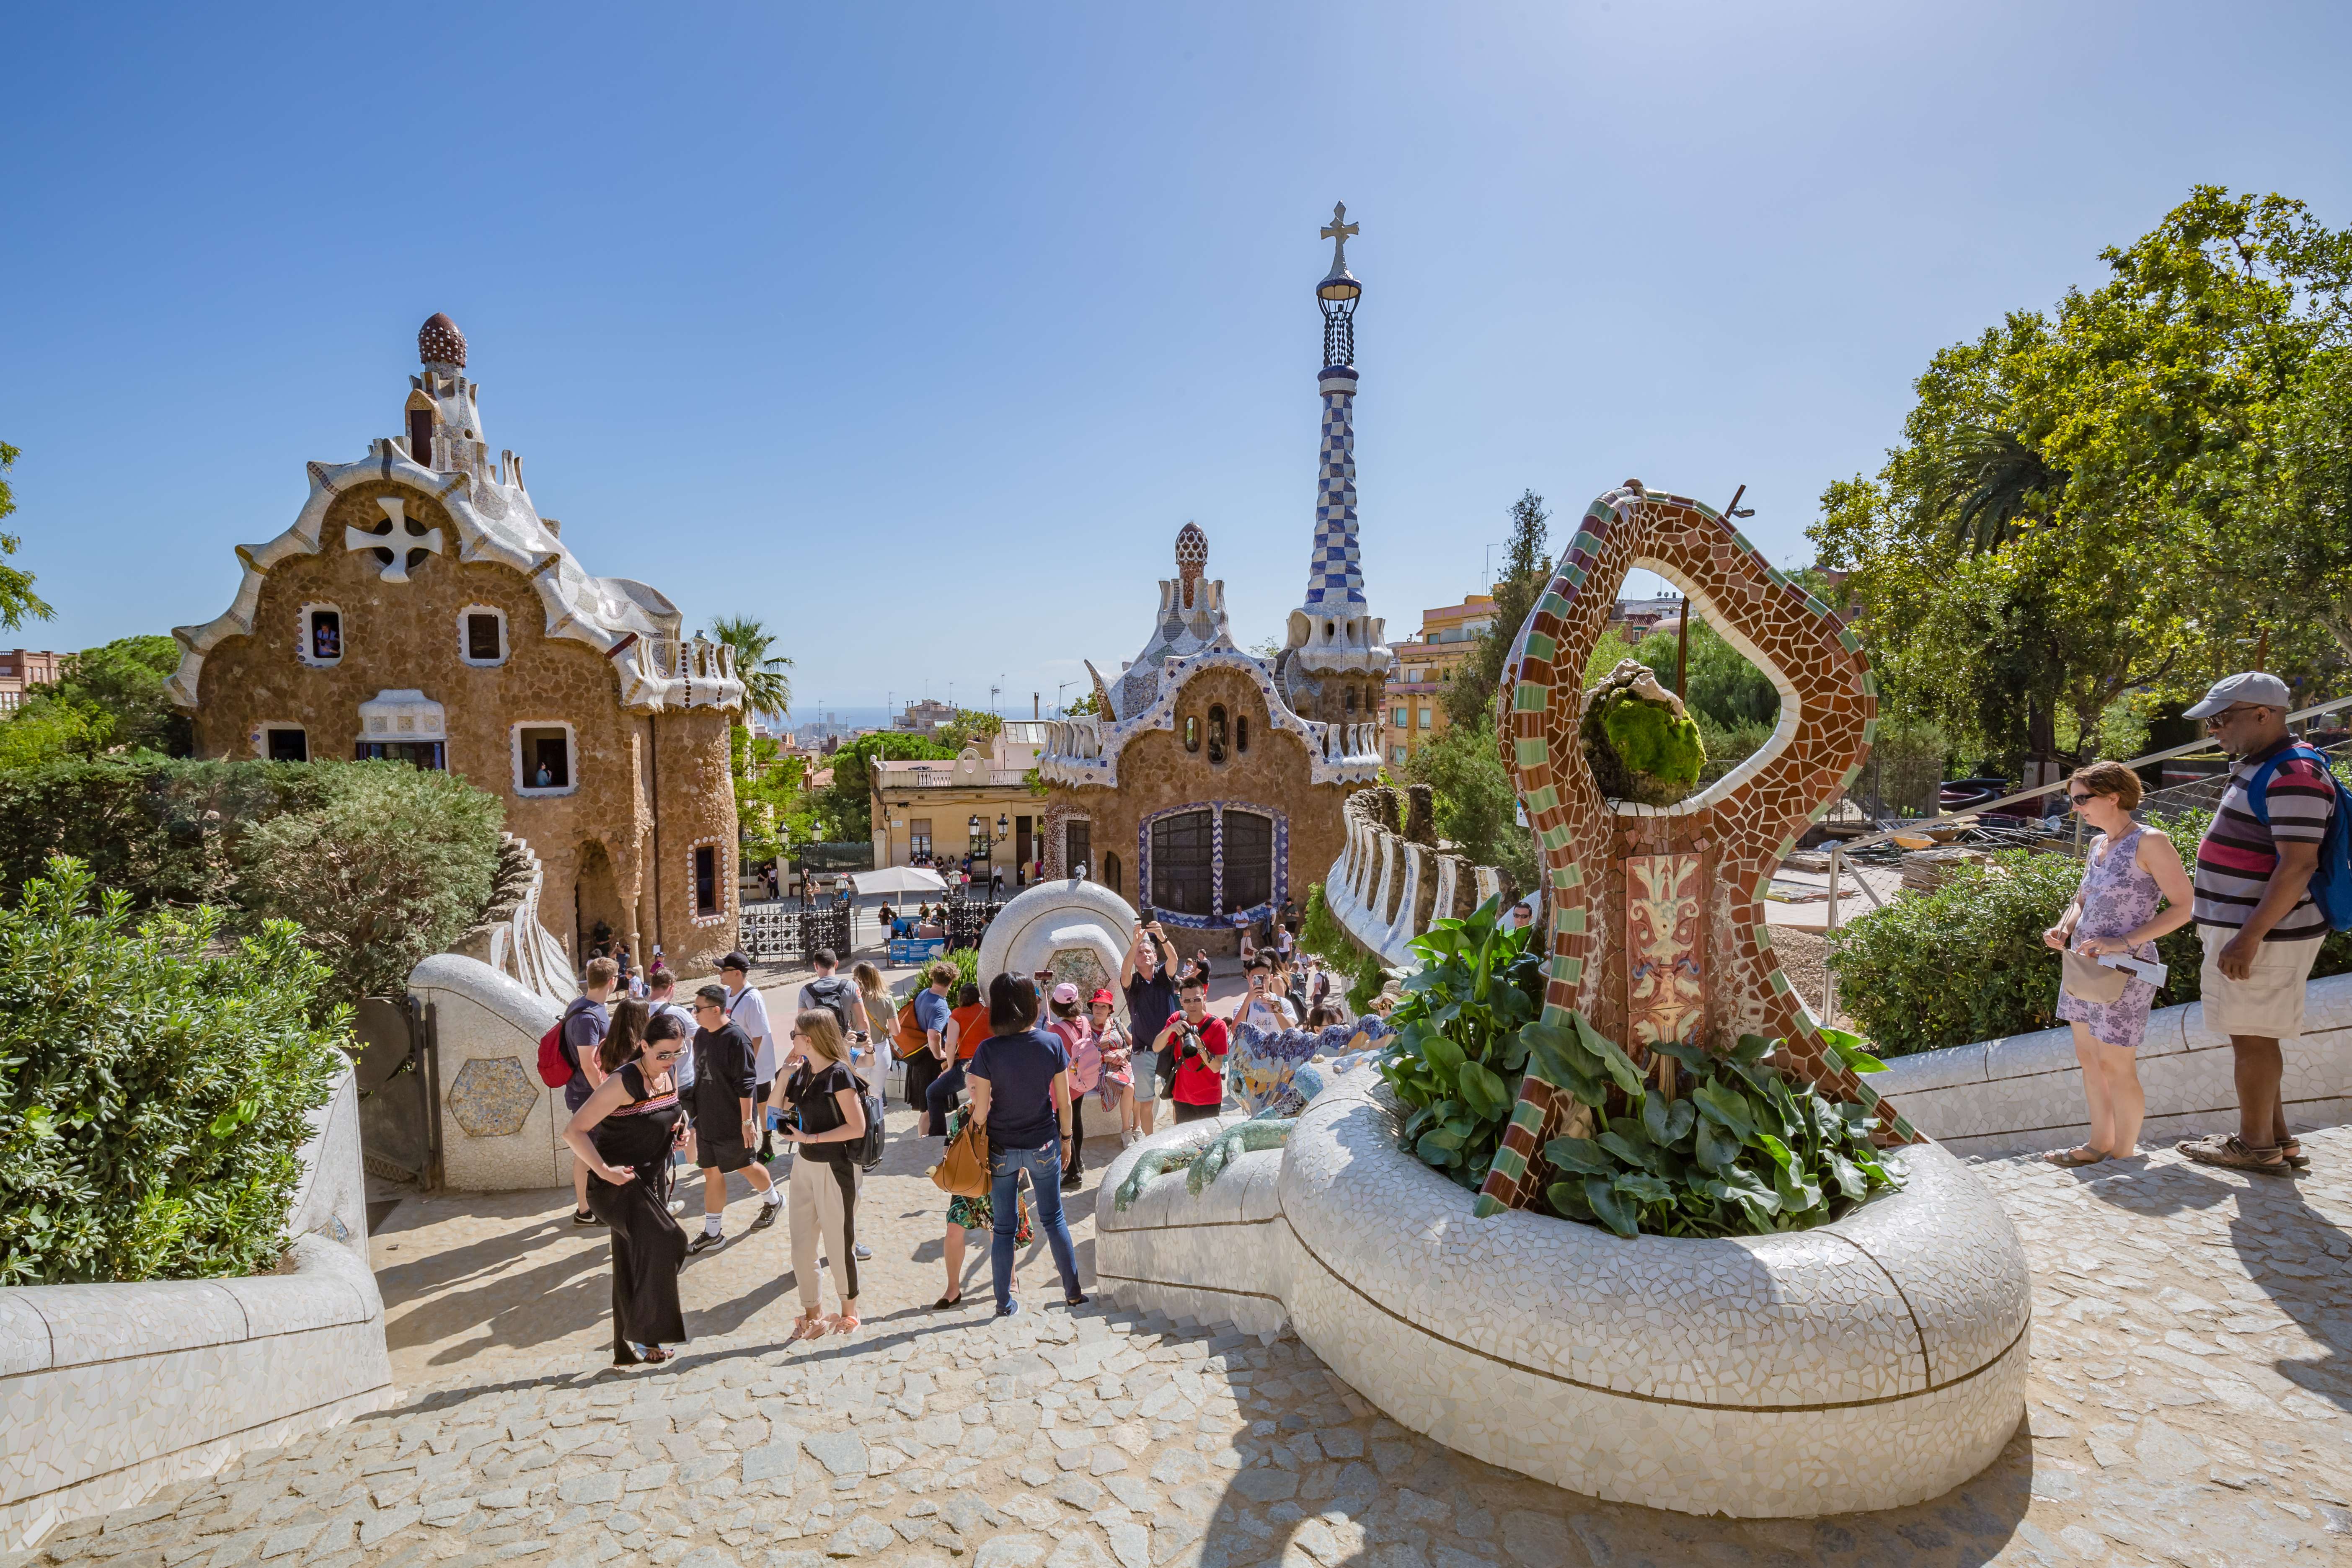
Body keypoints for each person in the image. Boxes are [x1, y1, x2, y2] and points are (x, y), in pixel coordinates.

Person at [2178, 674, 2338, 1174]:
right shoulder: (2265, 765)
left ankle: (2253, 1146)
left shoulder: (2293, 772)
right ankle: (2277, 1139)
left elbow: (2298, 865)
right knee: (2254, 1034)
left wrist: (2248, 937)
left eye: (2222, 718)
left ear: (2264, 714)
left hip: (2263, 933)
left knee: (2251, 1037)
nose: (2214, 729)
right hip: (2251, 929)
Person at [2038, 761, 2195, 1167]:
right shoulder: (2097, 844)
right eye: (2072, 799)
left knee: (2115, 1063)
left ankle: (2125, 1155)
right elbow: (2081, 898)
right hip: (2084, 966)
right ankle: (2097, 1144)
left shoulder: (2150, 841)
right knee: (2089, 1059)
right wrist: (2063, 927)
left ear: (2113, 796)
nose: (2075, 808)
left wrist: (2121, 941)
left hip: (2127, 970)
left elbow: (2185, 906)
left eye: (2081, 799)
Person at [561, 1012, 690, 1365]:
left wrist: (679, 1133)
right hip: (615, 1185)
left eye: (678, 1052)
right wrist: (603, 1169)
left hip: (651, 1181)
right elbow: (574, 1131)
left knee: (631, 1261)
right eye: (663, 1053)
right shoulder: (624, 1081)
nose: (671, 1060)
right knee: (671, 1241)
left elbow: (664, 1117)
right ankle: (646, 1331)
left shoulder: (669, 1074)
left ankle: (628, 1348)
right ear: (644, 1046)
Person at [966, 974, 1085, 1317]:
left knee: (1003, 1228)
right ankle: (1074, 1293)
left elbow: (983, 1109)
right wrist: (1066, 1141)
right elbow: (1064, 1102)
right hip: (1044, 1142)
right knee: (1054, 1217)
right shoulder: (1051, 1044)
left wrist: (969, 1133)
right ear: (1032, 1004)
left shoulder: (987, 1050)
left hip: (1002, 1146)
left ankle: (1004, 1303)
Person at [779, 1008, 869, 1340]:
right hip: (803, 1165)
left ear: (810, 1038)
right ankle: (812, 1313)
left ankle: (850, 1311)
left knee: (837, 1242)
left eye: (794, 1035)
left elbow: (857, 1127)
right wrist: (783, 1075)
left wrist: (810, 1137)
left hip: (836, 1165)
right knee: (801, 1243)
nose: (792, 1040)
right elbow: (776, 1109)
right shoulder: (803, 1072)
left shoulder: (839, 1074)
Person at [684, 984, 783, 1251]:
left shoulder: (736, 1038)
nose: (694, 1013)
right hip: (706, 1118)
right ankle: (713, 1233)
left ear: (716, 1010)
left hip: (733, 1119)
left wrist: (747, 1122)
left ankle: (773, 1200)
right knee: (711, 1172)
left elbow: (746, 1083)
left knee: (745, 1166)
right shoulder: (703, 1034)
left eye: (698, 1008)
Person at [936, 1092, 1032, 1309]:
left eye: (976, 1086)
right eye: (969, 1087)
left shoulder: (1007, 1111)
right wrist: (947, 1166)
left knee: (999, 1233)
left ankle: (1011, 1279)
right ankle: (953, 1289)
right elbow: (949, 1142)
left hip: (1001, 1181)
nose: (972, 1092)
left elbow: (1024, 1141)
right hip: (968, 1184)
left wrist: (1021, 1168)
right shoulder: (964, 1113)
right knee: (953, 1230)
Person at [562, 958, 620, 1226]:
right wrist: (605, 1096)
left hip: (586, 1090)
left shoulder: (585, 1006)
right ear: (612, 981)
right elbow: (588, 1063)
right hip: (587, 1092)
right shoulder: (587, 1016)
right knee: (585, 1151)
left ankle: (587, 1209)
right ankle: (586, 1211)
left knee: (585, 1151)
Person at [713, 951, 778, 1161]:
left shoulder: (753, 998)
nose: (721, 973)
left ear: (738, 973)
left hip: (756, 1064)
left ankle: (767, 1143)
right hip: (735, 1062)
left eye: (725, 970)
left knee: (761, 1105)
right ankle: (744, 1143)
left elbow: (758, 1035)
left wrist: (749, 1064)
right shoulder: (726, 994)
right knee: (742, 1104)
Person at [1122, 921, 1181, 1137]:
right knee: (1146, 1102)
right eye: (1140, 953)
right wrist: (1135, 943)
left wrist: (1162, 936)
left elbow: (1174, 959)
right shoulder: (1132, 983)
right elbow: (1125, 972)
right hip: (1143, 1052)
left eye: (1148, 951)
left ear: (1156, 957)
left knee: (1176, 1099)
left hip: (1170, 1049)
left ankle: (1178, 1140)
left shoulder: (1165, 977)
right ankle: (1149, 1143)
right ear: (1135, 960)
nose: (1145, 954)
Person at [1045, 983, 1099, 1190]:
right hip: (1081, 1082)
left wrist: (1052, 1030)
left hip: (1063, 1084)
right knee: (1076, 1120)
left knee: (1064, 1126)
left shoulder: (1055, 1030)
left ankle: (1073, 1173)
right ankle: (1079, 1161)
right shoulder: (1085, 1021)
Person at [1155, 976, 1230, 1124]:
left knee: (1208, 1144)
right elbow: (1156, 1047)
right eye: (1187, 1001)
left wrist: (1200, 1047)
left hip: (1209, 1098)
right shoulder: (1178, 1019)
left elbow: (1216, 1068)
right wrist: (1170, 1029)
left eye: (1197, 1000)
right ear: (1181, 1001)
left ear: (1204, 998)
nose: (1192, 1005)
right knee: (1185, 1145)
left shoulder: (1218, 1026)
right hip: (1182, 1097)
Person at [905, 962, 956, 1133]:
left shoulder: (923, 994)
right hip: (930, 1062)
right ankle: (927, 1146)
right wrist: (938, 1054)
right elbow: (934, 1034)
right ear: (951, 982)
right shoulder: (940, 1006)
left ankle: (923, 1143)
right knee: (930, 1110)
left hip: (919, 1058)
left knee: (926, 1110)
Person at [1090, 988, 1137, 1146]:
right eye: (1097, 1006)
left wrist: (1124, 1052)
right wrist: (1105, 1058)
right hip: (1102, 1069)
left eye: (1104, 1006)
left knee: (1140, 1084)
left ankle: (1137, 1127)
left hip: (1124, 1064)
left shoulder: (1116, 1023)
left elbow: (1134, 1045)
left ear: (1110, 1010)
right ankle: (1126, 1130)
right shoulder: (1086, 1028)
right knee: (1130, 1087)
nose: (1099, 1010)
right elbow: (1083, 1055)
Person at [850, 961, 897, 1092]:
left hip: (859, 1052)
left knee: (856, 1094)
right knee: (877, 1095)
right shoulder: (887, 999)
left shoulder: (852, 1001)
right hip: (882, 1050)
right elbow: (896, 1031)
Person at [1235, 955, 1296, 1033]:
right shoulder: (1242, 1006)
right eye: (1256, 978)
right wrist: (1247, 1002)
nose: (1261, 982)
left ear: (1271, 978)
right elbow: (1235, 1032)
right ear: (1249, 979)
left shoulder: (1283, 1003)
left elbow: (1292, 1032)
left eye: (1264, 977)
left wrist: (1273, 1005)